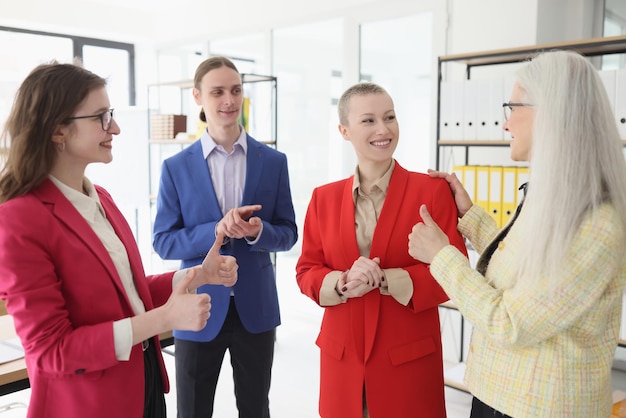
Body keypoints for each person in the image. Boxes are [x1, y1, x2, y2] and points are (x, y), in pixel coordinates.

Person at [0, 61, 239, 418]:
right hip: (91, 404)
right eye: (101, 117)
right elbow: (52, 351)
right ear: (58, 131)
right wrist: (165, 319)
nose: (116, 127)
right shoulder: (18, 218)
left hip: (143, 385)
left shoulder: (102, 199)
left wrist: (196, 276)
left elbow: (125, 292)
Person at [408, 50, 626, 418]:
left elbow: (510, 322)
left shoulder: (596, 221)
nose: (506, 124)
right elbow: (525, 267)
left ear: (551, 112)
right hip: (498, 393)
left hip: (538, 407)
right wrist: (469, 215)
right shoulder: (556, 195)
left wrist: (442, 257)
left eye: (512, 107)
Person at [295, 82, 467, 418]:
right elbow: (306, 271)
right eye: (369, 120)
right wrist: (341, 282)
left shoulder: (432, 192)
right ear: (344, 131)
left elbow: (454, 274)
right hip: (341, 363)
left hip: (408, 364)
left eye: (389, 117)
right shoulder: (323, 198)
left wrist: (386, 279)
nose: (383, 129)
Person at [152, 56, 298, 418]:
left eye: (235, 90)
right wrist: (215, 231)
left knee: (254, 408)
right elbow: (164, 241)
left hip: (256, 308)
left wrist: (258, 232)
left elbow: (289, 233)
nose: (228, 100)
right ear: (198, 97)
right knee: (192, 410)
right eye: (217, 92)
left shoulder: (273, 161)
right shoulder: (175, 167)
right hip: (197, 307)